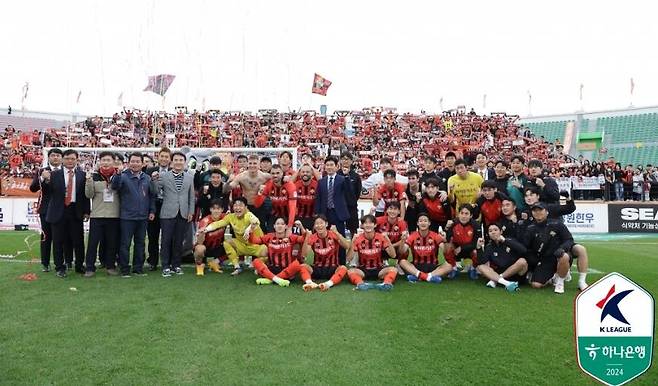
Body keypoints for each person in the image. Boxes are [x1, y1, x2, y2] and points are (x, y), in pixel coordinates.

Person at [42, 149, 90, 277]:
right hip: (58, 211)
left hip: (75, 211)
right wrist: (44, 179)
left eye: (73, 159)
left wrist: (86, 211)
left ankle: (79, 265)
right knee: (57, 241)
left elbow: (84, 196)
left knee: (78, 241)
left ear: (77, 160)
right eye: (67, 158)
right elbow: (46, 191)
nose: (70, 161)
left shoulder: (82, 175)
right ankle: (59, 267)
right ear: (62, 160)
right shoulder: (54, 174)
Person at [111, 152, 156, 277]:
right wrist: (118, 174)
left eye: (138, 161)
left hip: (143, 217)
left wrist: (152, 211)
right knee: (125, 244)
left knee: (140, 243)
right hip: (127, 217)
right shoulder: (123, 176)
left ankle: (138, 268)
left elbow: (152, 196)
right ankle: (124, 269)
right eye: (133, 161)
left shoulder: (147, 178)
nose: (135, 164)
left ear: (142, 164)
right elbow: (115, 186)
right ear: (128, 163)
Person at [154, 151, 196, 277]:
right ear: (172, 162)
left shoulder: (189, 177)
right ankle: (165, 266)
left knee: (178, 241)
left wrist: (191, 212)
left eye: (181, 160)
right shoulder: (164, 176)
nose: (178, 162)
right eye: (176, 160)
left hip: (183, 213)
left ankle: (176, 265)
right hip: (167, 212)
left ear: (185, 162)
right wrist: (155, 181)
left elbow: (191, 197)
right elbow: (156, 191)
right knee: (166, 240)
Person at [203, 197, 264, 276]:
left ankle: (259, 266)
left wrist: (248, 230)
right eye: (235, 205)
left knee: (267, 251)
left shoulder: (249, 215)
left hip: (256, 246)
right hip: (242, 246)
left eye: (240, 205)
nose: (238, 208)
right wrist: (206, 229)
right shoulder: (231, 217)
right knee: (227, 243)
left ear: (246, 207)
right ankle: (237, 267)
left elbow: (256, 222)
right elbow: (218, 223)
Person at [524, 203, 574, 294]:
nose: (537, 212)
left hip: (558, 256)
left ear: (546, 212)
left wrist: (562, 248)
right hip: (544, 260)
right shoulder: (530, 228)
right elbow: (527, 247)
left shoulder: (557, 224)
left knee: (564, 256)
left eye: (540, 210)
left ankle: (560, 282)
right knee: (536, 285)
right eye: (535, 211)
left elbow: (569, 240)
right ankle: (554, 276)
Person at [84, 151, 120, 277]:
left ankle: (110, 266)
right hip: (97, 215)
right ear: (99, 161)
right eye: (103, 160)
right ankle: (90, 267)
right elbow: (89, 195)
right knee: (93, 243)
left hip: (114, 215)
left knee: (112, 243)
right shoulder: (94, 176)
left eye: (108, 160)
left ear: (113, 162)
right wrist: (88, 181)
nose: (105, 162)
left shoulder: (118, 176)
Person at [314, 156, 353, 263]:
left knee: (339, 238)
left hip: (338, 213)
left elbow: (350, 192)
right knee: (322, 238)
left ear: (337, 167)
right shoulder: (321, 181)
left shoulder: (342, 179)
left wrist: (346, 176)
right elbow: (318, 198)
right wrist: (317, 214)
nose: (329, 167)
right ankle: (322, 261)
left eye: (332, 165)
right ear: (325, 167)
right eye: (327, 165)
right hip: (325, 213)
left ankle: (341, 263)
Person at [29, 147, 62, 272]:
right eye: (53, 155)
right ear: (49, 157)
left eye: (58, 155)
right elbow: (33, 188)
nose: (56, 157)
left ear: (61, 158)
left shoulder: (65, 171)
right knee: (46, 237)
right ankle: (45, 263)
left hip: (62, 209)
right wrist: (42, 178)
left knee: (61, 237)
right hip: (46, 209)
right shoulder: (41, 171)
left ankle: (63, 262)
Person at [346, 215, 398, 291]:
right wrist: (352, 242)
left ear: (375, 225)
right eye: (365, 223)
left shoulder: (380, 237)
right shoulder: (358, 239)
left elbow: (393, 255)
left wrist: (388, 240)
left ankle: (386, 284)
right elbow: (348, 258)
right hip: (363, 270)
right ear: (362, 225)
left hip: (379, 269)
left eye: (370, 223)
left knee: (393, 269)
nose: (368, 225)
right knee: (350, 271)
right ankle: (361, 284)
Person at [298, 216, 351, 292]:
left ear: (326, 224)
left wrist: (337, 233)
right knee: (302, 266)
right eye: (316, 224)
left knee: (343, 268)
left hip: (332, 268)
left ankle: (328, 284)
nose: (319, 226)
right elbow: (304, 255)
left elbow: (347, 246)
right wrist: (307, 238)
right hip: (317, 268)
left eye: (321, 223)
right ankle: (310, 283)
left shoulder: (333, 234)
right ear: (314, 226)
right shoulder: (312, 237)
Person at [249, 217, 306, 287]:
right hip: (272, 268)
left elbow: (303, 238)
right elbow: (254, 240)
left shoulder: (291, 237)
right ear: (274, 226)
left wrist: (301, 227)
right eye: (277, 224)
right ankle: (278, 280)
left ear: (286, 227)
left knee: (297, 264)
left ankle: (270, 279)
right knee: (256, 261)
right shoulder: (269, 237)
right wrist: (251, 230)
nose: (280, 226)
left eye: (282, 224)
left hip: (287, 269)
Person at [399, 213, 451, 283]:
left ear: (429, 223)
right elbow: (402, 251)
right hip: (416, 266)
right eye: (420, 221)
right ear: (417, 223)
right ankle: (428, 277)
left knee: (450, 265)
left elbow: (445, 251)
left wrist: (445, 240)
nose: (423, 223)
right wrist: (402, 240)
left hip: (432, 267)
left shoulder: (435, 235)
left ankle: (420, 276)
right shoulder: (412, 236)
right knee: (402, 262)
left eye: (425, 221)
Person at [475, 223, 527, 292]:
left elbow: (523, 250)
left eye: (495, 230)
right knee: (481, 267)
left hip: (514, 273)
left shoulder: (509, 240)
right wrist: (478, 248)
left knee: (522, 261)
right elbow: (482, 262)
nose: (493, 232)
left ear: (501, 232)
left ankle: (496, 280)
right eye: (490, 231)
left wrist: (505, 241)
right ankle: (507, 283)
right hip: (499, 272)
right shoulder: (489, 246)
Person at [145, 147, 171, 271]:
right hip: (154, 206)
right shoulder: (150, 171)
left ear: (170, 159)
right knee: (152, 235)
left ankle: (167, 261)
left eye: (167, 157)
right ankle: (153, 261)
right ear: (158, 157)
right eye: (162, 156)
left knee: (167, 236)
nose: (164, 159)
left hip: (168, 205)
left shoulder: (173, 171)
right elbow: (145, 189)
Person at [253, 164, 297, 230]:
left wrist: (290, 226)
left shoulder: (290, 185)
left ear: (282, 174)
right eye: (273, 173)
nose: (275, 175)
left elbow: (292, 208)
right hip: (275, 215)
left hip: (289, 216)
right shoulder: (268, 185)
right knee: (270, 236)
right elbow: (257, 205)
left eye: (278, 173)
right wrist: (259, 194)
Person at [444, 204, 482, 280]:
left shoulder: (476, 225)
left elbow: (476, 243)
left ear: (471, 215)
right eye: (462, 213)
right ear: (458, 214)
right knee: (447, 247)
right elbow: (448, 239)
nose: (463, 216)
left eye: (466, 213)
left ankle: (473, 268)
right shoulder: (453, 223)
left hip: (469, 249)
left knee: (477, 251)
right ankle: (453, 268)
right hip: (456, 250)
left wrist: (462, 248)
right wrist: (447, 228)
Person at [194, 199, 227, 276]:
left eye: (218, 209)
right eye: (214, 208)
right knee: (200, 249)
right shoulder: (205, 221)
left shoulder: (225, 217)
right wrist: (202, 233)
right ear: (210, 209)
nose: (216, 211)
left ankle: (215, 263)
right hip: (206, 247)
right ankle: (199, 265)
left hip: (217, 247)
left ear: (222, 209)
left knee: (234, 245)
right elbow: (199, 242)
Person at [374, 201, 408, 268]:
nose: (392, 211)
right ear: (387, 210)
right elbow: (366, 225)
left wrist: (392, 245)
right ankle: (381, 262)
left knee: (405, 248)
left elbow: (403, 239)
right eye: (390, 208)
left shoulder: (402, 223)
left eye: (395, 209)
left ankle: (399, 264)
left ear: (399, 212)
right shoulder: (379, 220)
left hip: (395, 247)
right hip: (382, 247)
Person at [337, 152, 362, 237]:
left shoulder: (356, 176)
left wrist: (351, 201)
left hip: (351, 207)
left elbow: (358, 192)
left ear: (351, 161)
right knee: (338, 229)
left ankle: (354, 247)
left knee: (353, 229)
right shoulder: (336, 174)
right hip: (338, 206)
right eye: (343, 159)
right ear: (340, 161)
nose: (345, 161)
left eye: (347, 159)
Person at [294, 163, 318, 230]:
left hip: (313, 218)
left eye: (307, 172)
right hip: (299, 217)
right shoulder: (296, 185)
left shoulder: (317, 185)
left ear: (312, 174)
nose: (305, 173)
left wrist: (311, 166)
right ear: (300, 174)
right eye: (303, 172)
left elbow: (320, 178)